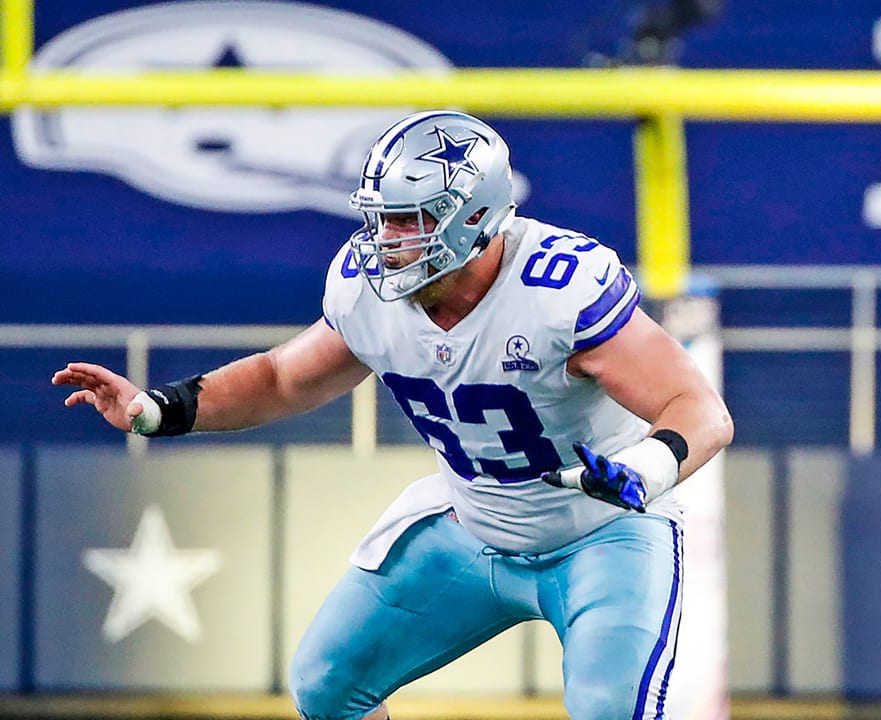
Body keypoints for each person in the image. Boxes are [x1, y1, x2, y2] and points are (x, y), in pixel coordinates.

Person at [53, 109, 733, 720]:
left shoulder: (558, 290)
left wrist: (642, 467)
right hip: (473, 526)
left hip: (603, 537)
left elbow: (699, 409)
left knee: (613, 710)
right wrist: (154, 409)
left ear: (476, 217)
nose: (389, 238)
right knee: (326, 685)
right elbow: (283, 378)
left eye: (411, 219)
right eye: (382, 218)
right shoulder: (365, 290)